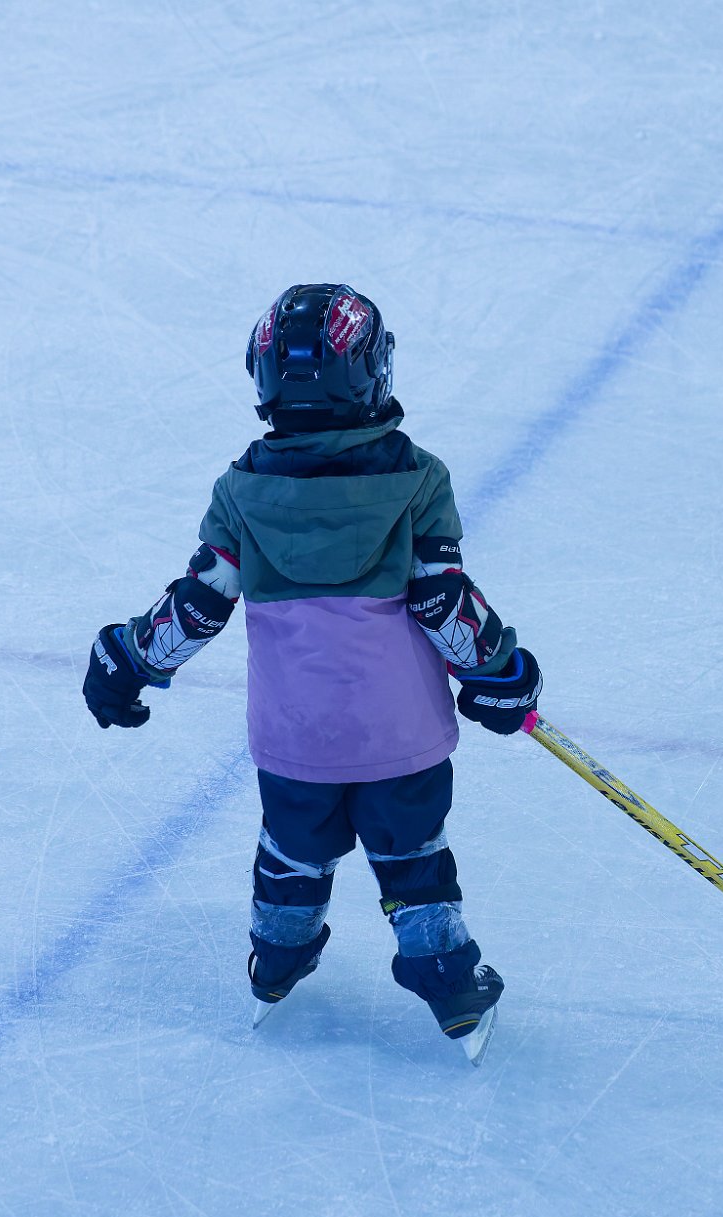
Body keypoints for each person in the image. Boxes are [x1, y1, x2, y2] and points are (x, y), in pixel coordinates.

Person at [81, 284, 541, 1063]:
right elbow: (443, 602)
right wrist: (503, 672)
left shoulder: (241, 492)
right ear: (372, 372)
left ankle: (278, 959)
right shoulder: (418, 480)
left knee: (292, 847)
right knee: (413, 856)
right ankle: (448, 980)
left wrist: (127, 658)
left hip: (296, 738)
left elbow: (197, 605)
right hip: (401, 735)